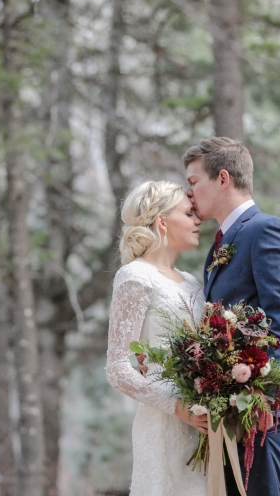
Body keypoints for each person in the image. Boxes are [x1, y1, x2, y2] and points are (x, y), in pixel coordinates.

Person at [183, 137, 280, 496]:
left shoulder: (267, 230)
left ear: (223, 178)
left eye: (194, 181)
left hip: (271, 415)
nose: (189, 193)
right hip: (238, 417)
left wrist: (259, 403)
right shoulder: (220, 244)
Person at [105, 181, 209, 496]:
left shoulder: (192, 283)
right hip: (165, 422)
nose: (198, 220)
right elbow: (117, 367)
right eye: (189, 213)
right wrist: (177, 406)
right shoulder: (135, 276)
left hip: (204, 421)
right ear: (162, 222)